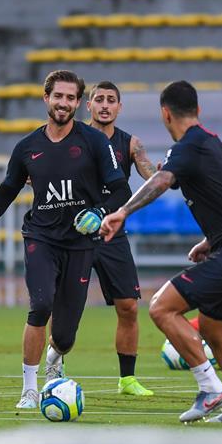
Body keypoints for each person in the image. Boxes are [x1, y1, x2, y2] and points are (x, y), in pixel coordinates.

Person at [0, 70, 131, 409]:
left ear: (79, 103)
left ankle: (55, 356)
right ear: (45, 98)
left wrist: (99, 211)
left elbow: (121, 188)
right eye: (57, 96)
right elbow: (7, 190)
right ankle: (30, 389)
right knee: (41, 303)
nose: (63, 103)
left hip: (81, 243)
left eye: (70, 98)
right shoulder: (27, 147)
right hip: (41, 238)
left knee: (64, 335)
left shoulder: (94, 142)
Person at [101, 81, 222, 423]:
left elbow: (161, 181)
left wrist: (122, 212)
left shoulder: (188, 146)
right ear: (198, 111)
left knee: (161, 308)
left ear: (165, 113)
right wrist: (212, 239)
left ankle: (210, 388)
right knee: (212, 328)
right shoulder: (212, 144)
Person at [86, 81, 155, 396]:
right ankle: (54, 365)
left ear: (119, 107)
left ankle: (127, 379)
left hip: (112, 234)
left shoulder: (130, 144)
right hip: (76, 234)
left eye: (110, 100)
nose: (104, 105)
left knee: (128, 306)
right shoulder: (72, 138)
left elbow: (152, 177)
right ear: (88, 105)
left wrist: (172, 171)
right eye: (98, 99)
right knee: (62, 306)